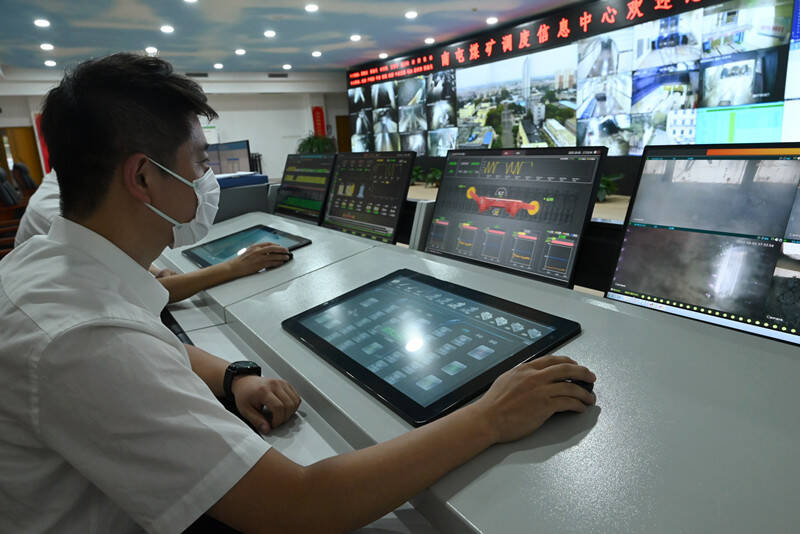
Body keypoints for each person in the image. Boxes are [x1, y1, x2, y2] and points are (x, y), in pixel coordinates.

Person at [0, 53, 596, 533]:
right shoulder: (83, 337)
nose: (208, 179)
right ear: (143, 177)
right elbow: (298, 508)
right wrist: (491, 416)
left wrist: (232, 374)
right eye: (200, 162)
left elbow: (144, 339)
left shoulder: (51, 263)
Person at [14, 168, 290, 304]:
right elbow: (147, 292)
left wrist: (155, 271)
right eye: (198, 161)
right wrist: (234, 267)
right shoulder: (63, 213)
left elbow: (130, 268)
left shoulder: (70, 185)